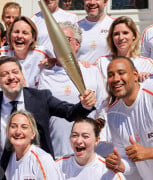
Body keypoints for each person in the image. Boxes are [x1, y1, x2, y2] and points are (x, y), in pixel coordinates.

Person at [0, 55, 96, 179]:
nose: (11, 77)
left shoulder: (41, 98)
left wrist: (85, 105)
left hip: (35, 172)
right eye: (5, 74)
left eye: (15, 72)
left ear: (22, 75)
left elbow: (69, 113)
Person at [37, 21, 107, 158]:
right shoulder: (43, 73)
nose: (60, 43)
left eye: (66, 40)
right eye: (56, 39)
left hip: (87, 155)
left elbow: (103, 109)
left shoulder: (91, 71)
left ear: (77, 44)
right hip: (54, 155)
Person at [105, 56, 153, 179]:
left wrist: (149, 153)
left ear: (135, 75)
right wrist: (119, 164)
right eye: (111, 75)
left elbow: (144, 154)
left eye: (121, 73)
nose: (116, 79)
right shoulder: (113, 114)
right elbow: (130, 163)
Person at [56, 117, 125, 180]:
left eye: (85, 136)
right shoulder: (57, 167)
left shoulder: (108, 172)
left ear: (97, 140)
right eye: (74, 135)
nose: (79, 141)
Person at [94, 16, 153, 81]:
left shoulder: (146, 64)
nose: (121, 37)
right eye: (116, 34)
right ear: (111, 38)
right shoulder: (102, 62)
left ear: (134, 36)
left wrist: (147, 80)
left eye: (125, 33)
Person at [5, 110, 62, 179]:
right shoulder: (9, 160)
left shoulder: (43, 159)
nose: (18, 132)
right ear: (7, 131)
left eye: (24, 127)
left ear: (33, 134)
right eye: (13, 126)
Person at [1, 16, 54, 88]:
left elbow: (60, 65)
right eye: (16, 32)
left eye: (25, 33)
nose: (19, 36)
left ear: (33, 37)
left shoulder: (42, 53)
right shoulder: (1, 53)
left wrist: (53, 61)